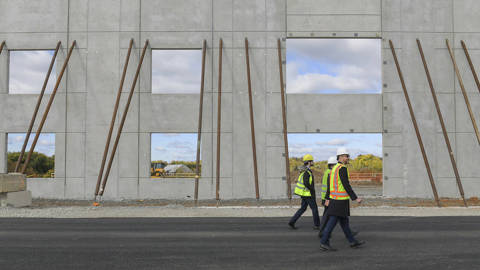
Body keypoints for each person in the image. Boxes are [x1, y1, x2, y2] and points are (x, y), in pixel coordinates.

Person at [320, 147, 365, 251]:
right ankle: (323, 242)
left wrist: (327, 198)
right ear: (340, 157)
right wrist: (355, 198)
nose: (348, 158)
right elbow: (346, 185)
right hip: (339, 201)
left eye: (347, 156)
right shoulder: (342, 168)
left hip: (335, 200)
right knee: (332, 223)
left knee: (344, 222)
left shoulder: (334, 169)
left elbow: (329, 185)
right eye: (346, 156)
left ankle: (352, 242)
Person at [288, 154, 320, 230]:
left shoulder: (304, 171)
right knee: (314, 208)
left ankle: (292, 221)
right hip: (308, 194)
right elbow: (306, 183)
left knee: (303, 208)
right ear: (309, 162)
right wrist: (312, 189)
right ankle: (317, 225)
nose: (313, 162)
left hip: (304, 194)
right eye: (312, 161)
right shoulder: (307, 172)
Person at [317, 156, 337, 236]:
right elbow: (329, 187)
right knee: (328, 216)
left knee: (328, 215)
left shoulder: (327, 172)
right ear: (332, 165)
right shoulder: (330, 173)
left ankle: (322, 231)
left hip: (326, 197)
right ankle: (322, 232)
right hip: (328, 198)